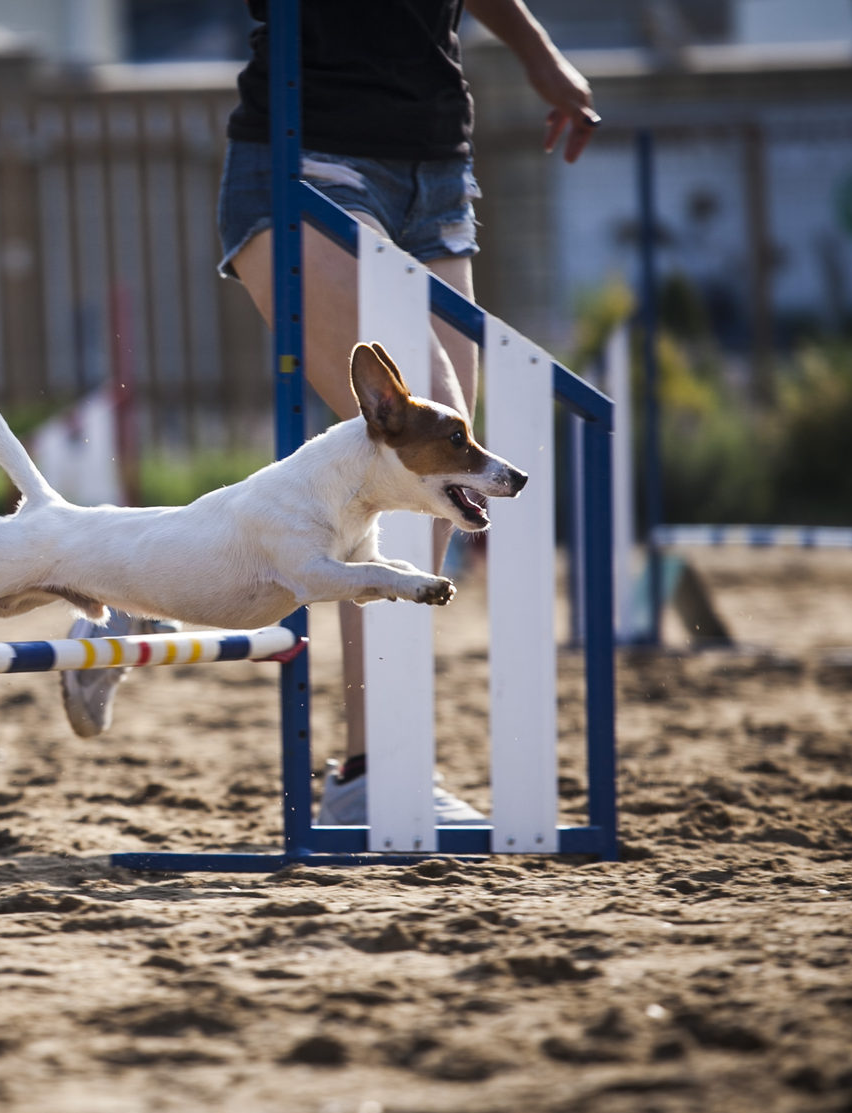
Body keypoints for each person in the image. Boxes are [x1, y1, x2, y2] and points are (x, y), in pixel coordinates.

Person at [62, 0, 598, 823]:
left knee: (437, 477)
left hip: (437, 161)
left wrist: (539, 52)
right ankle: (371, 773)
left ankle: (134, 587)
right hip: (307, 152)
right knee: (429, 457)